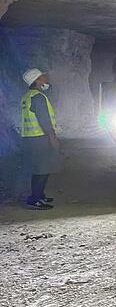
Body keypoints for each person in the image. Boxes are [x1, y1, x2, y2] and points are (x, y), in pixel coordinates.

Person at [20, 68, 61, 210]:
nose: (46, 79)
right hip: (40, 138)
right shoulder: (38, 97)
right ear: (37, 80)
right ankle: (35, 199)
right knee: (42, 169)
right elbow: (44, 120)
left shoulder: (27, 96)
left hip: (30, 138)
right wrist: (52, 137)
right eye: (43, 77)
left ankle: (39, 195)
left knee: (39, 168)